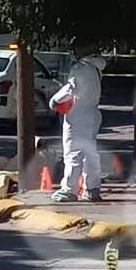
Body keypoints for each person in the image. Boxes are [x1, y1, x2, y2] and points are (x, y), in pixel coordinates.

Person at [49, 41, 105, 202]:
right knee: (90, 152)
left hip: (78, 114)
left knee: (73, 152)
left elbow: (71, 88)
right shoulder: (96, 68)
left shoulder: (79, 68)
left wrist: (55, 100)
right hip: (93, 113)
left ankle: (69, 190)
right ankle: (93, 189)